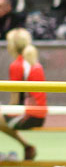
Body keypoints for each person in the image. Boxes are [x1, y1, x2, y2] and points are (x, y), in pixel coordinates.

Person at [1, 28, 42, 160]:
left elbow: (15, 100)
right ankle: (27, 147)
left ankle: (26, 146)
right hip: (39, 114)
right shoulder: (34, 63)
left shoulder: (17, 65)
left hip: (28, 115)